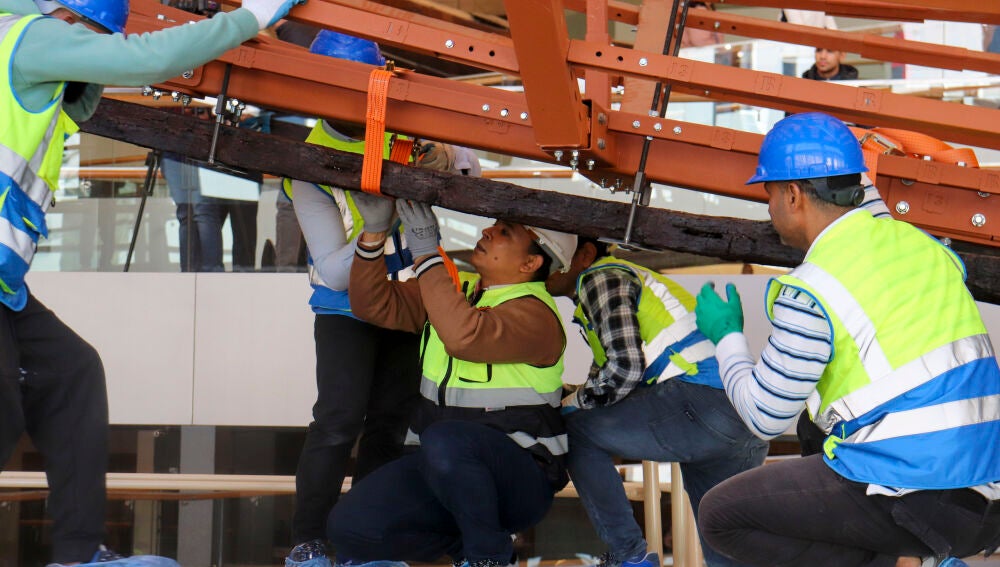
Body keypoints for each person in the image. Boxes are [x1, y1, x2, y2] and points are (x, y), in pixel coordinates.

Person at [0, 0, 301, 563]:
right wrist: (250, 17)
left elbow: (80, 103)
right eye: (92, 39)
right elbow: (144, 60)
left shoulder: (37, 64)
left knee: (72, 371)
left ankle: (77, 551)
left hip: (6, 286)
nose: (92, 54)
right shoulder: (28, 38)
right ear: (68, 19)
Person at [693, 112, 1000, 567]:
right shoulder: (924, 246)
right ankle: (912, 558)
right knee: (813, 430)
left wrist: (728, 337)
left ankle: (903, 559)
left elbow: (763, 413)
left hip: (922, 498)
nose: (770, 209)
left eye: (769, 194)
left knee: (721, 515)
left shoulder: (815, 286)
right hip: (988, 491)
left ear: (793, 194)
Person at [328, 194, 577, 567]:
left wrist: (427, 254)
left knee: (446, 439)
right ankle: (472, 551)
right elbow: (372, 304)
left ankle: (486, 558)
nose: (488, 231)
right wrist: (374, 234)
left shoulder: (536, 314)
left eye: (504, 232)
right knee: (350, 527)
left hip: (519, 480)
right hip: (444, 470)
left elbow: (465, 336)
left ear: (531, 262)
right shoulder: (458, 292)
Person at [545, 239, 768, 567]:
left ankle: (629, 556)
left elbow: (624, 368)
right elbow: (608, 383)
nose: (540, 264)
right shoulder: (624, 283)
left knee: (578, 429)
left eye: (548, 254)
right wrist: (572, 394)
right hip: (740, 412)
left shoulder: (598, 278)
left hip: (701, 401)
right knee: (727, 553)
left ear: (585, 255)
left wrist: (567, 405)